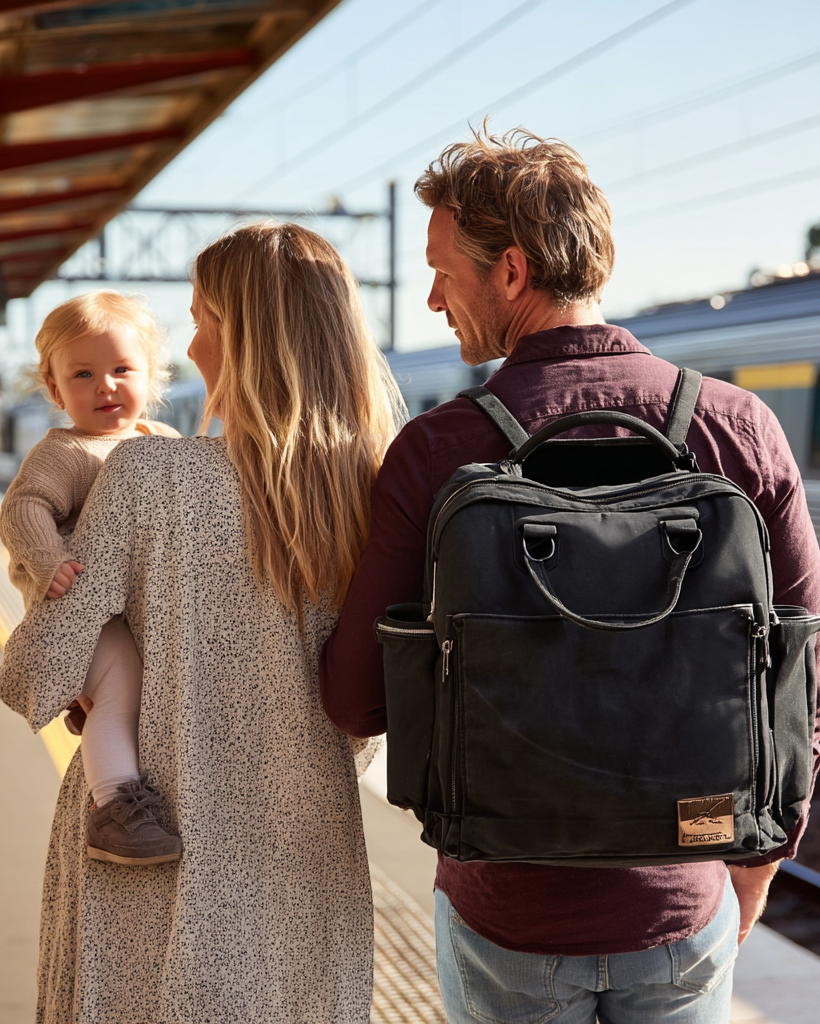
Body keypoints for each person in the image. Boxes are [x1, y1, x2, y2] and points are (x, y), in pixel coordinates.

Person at [321, 128, 820, 1023]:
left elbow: (356, 700)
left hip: (505, 913)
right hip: (679, 905)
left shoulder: (439, 451)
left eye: (443, 270)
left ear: (510, 270)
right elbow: (800, 678)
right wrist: (753, 867)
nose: (432, 298)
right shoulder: (739, 429)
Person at [0, 222, 402, 1024]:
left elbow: (35, 674)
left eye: (200, 319)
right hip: (309, 864)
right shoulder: (376, 486)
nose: (191, 343)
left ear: (242, 337)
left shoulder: (149, 472)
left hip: (149, 853)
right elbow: (369, 707)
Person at [0, 290, 182, 866]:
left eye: (121, 369)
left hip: (133, 607)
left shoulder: (165, 444)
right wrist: (48, 559)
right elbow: (22, 507)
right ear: (55, 391)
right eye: (83, 374)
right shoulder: (68, 452)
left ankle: (97, 710)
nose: (105, 385)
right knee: (122, 676)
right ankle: (115, 810)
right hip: (82, 608)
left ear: (151, 375)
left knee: (130, 687)